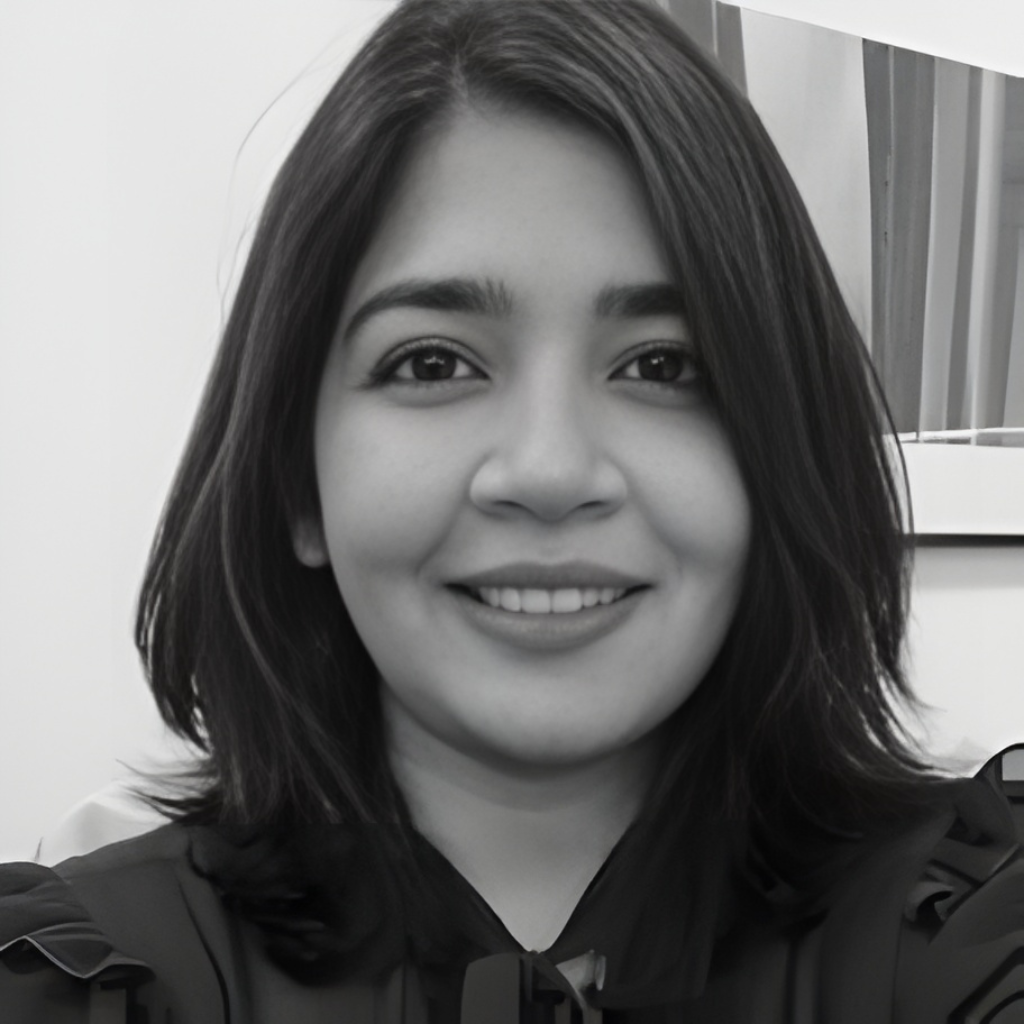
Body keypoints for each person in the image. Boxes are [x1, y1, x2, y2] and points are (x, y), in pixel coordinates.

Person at [2, 0, 1021, 1021]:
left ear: (778, 457)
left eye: (663, 364)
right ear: (294, 482)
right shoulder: (101, 973)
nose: (546, 468)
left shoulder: (959, 933)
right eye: (433, 362)